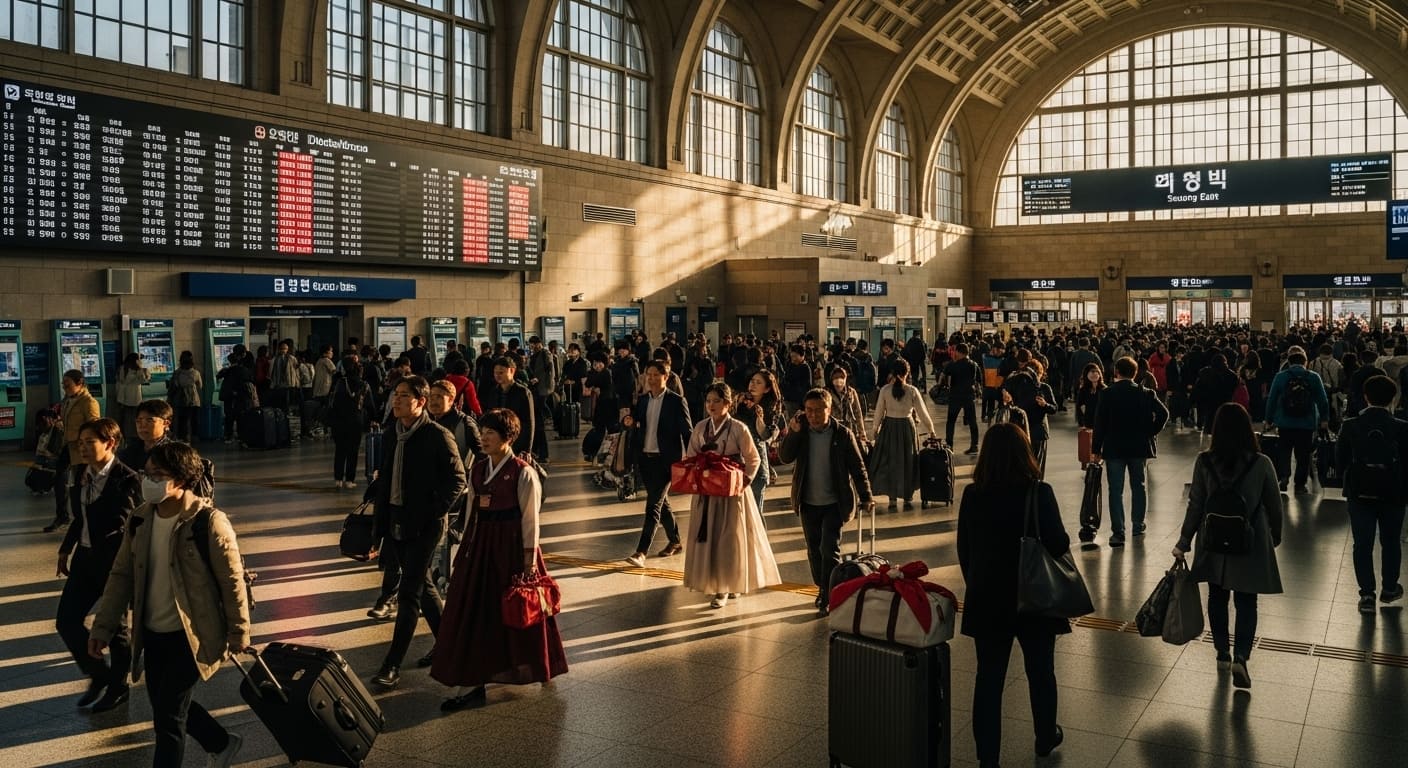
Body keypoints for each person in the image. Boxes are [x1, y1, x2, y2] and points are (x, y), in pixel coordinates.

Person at [89, 441, 251, 768]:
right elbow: (121, 576)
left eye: (158, 475)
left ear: (182, 479)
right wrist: (102, 627)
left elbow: (231, 580)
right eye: (147, 473)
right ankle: (221, 742)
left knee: (168, 718)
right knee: (167, 705)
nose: (148, 481)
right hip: (152, 633)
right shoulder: (139, 519)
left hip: (191, 634)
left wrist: (239, 631)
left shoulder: (208, 521)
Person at [430, 409, 567, 710]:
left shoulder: (523, 472)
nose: (484, 438)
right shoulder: (478, 470)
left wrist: (529, 562)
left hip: (512, 547)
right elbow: (471, 513)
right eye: (483, 432)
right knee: (478, 611)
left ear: (508, 437)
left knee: (520, 608)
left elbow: (530, 520)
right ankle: (474, 678)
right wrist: (464, 547)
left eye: (491, 432)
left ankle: (536, 664)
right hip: (481, 547)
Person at [957, 422, 1069, 766]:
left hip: (988, 598)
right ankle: (1045, 737)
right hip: (1034, 597)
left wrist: (979, 582)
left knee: (989, 679)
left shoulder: (973, 495)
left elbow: (964, 549)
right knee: (1041, 672)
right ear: (1025, 454)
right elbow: (1059, 544)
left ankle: (988, 757)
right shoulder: (1040, 492)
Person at [1173, 403, 1283, 689]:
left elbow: (1196, 505)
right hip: (1249, 540)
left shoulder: (1204, 462)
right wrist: (1275, 535)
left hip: (1213, 541)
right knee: (1246, 601)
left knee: (1217, 596)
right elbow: (1275, 505)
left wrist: (1184, 542)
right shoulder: (1261, 463)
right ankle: (1241, 657)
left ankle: (1222, 652)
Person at [368, 376, 468, 689]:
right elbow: (386, 480)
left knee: (409, 592)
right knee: (423, 586)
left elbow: (458, 479)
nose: (396, 401)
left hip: (425, 526)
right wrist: (378, 528)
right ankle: (451, 646)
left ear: (420, 402)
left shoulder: (437, 435)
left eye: (403, 396)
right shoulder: (391, 434)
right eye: (395, 395)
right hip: (396, 521)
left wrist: (434, 510)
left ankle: (392, 665)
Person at [56, 418, 143, 713]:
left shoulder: (128, 479)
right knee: (67, 620)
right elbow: (80, 517)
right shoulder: (80, 473)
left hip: (114, 564)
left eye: (90, 442)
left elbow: (134, 525)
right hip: (85, 559)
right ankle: (98, 673)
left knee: (116, 630)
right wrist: (66, 549)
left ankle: (118, 687)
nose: (83, 448)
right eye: (80, 443)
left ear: (111, 443)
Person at [682, 383, 782, 608]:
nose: (711, 405)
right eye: (708, 401)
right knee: (708, 538)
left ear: (728, 404)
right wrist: (697, 469)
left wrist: (744, 481)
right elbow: (691, 454)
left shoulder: (738, 428)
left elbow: (753, 458)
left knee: (729, 541)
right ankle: (715, 582)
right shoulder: (700, 427)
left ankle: (726, 586)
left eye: (717, 401)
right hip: (707, 492)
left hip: (731, 493)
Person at [776, 387, 873, 614]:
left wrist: (866, 495)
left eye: (819, 410)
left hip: (834, 503)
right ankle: (823, 587)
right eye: (809, 410)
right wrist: (793, 433)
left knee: (830, 550)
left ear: (829, 410)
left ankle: (829, 593)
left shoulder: (842, 434)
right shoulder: (802, 432)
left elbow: (857, 467)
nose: (813, 415)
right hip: (808, 502)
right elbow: (784, 457)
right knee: (814, 550)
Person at [1335, 375, 1408, 614]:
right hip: (1393, 493)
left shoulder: (1350, 425)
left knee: (1362, 543)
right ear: (1392, 398)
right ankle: (1390, 587)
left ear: (1365, 397)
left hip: (1359, 491)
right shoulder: (1402, 427)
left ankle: (1367, 594)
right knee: (1391, 541)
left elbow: (1340, 460)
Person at [1091, 356, 1170, 547]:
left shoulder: (1107, 394)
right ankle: (1138, 525)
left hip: (1114, 447)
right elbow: (1164, 413)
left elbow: (1099, 424)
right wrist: (1150, 432)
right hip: (1139, 447)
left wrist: (1096, 449)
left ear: (1116, 372)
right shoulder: (1146, 393)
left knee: (1115, 490)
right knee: (1139, 487)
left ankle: (1118, 532)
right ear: (1135, 373)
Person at [622, 361, 693, 567]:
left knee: (653, 505)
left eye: (655, 375)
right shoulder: (643, 400)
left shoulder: (676, 401)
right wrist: (628, 422)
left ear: (666, 377)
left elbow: (687, 432)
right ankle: (675, 541)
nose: (651, 379)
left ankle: (641, 552)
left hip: (666, 461)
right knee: (661, 503)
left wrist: (693, 457)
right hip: (645, 458)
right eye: (649, 375)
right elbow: (635, 423)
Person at [868, 358, 936, 511]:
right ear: (907, 373)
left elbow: (879, 412)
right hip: (907, 428)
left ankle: (892, 498)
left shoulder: (885, 390)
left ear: (892, 373)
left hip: (889, 428)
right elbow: (922, 412)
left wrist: (875, 430)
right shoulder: (912, 391)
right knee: (908, 462)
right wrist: (931, 430)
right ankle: (907, 497)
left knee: (890, 462)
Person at [1264, 348, 1331, 494]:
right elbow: (1322, 400)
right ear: (1305, 362)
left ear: (1289, 363)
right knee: (1303, 454)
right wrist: (1324, 419)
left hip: (1284, 422)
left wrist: (1268, 419)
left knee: (1284, 450)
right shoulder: (1313, 377)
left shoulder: (1281, 377)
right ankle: (1300, 483)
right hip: (1306, 423)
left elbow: (1272, 399)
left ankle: (1284, 476)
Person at [47, 369, 103, 533]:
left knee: (79, 484)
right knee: (59, 478)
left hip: (81, 449)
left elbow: (94, 426)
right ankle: (62, 515)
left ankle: (82, 519)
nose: (65, 387)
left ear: (80, 383)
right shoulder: (67, 400)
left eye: (68, 384)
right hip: (67, 446)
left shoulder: (89, 402)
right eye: (63, 384)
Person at [733, 370, 784, 512]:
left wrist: (758, 417)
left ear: (767, 389)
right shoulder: (739, 402)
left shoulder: (771, 409)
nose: (753, 385)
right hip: (736, 461)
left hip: (757, 463)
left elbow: (766, 436)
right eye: (752, 381)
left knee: (755, 513)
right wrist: (735, 404)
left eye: (758, 382)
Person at [328, 356, 376, 489]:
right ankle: (349, 480)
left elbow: (332, 402)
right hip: (356, 420)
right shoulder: (364, 384)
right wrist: (374, 418)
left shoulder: (339, 383)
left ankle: (338, 479)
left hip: (339, 420)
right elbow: (370, 405)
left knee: (340, 450)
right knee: (353, 451)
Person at [483, 356, 536, 458]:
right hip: (498, 444)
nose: (497, 376)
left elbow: (529, 423)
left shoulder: (523, 392)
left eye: (501, 372)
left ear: (512, 371)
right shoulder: (494, 392)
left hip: (517, 443)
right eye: (495, 373)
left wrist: (527, 450)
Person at [939, 342, 982, 454]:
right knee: (972, 422)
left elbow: (943, 376)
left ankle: (949, 446)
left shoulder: (953, 365)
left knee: (951, 422)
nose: (954, 353)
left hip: (955, 396)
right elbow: (979, 380)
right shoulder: (974, 365)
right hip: (969, 396)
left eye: (955, 351)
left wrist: (941, 386)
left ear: (959, 352)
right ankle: (974, 445)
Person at [166, 351, 203, 443]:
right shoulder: (195, 373)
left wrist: (169, 398)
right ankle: (194, 437)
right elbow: (200, 386)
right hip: (194, 400)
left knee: (182, 420)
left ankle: (183, 438)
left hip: (180, 400)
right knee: (194, 420)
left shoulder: (177, 373)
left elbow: (173, 387)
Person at [114, 352, 150, 443]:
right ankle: (125, 439)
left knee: (132, 421)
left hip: (134, 400)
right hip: (122, 399)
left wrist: (140, 369)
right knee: (123, 421)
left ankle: (133, 439)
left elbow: (143, 380)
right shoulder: (121, 369)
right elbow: (119, 382)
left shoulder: (140, 371)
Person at [826, 366, 868, 439]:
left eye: (842, 377)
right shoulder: (826, 392)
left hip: (849, 427)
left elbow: (857, 412)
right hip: (832, 427)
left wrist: (862, 432)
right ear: (832, 378)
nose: (839, 379)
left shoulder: (851, 392)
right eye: (836, 377)